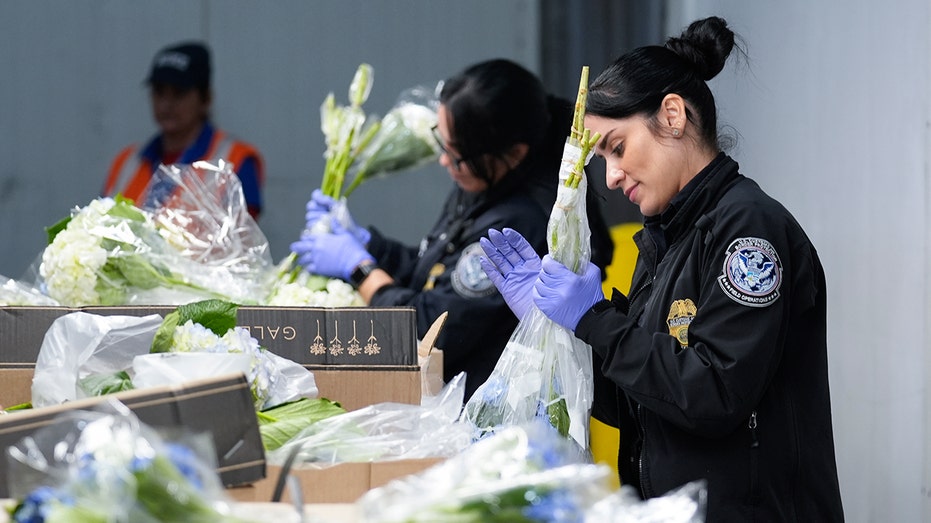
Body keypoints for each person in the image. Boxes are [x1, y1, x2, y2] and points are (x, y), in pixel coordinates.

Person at [480, 17, 844, 521]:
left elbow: (715, 395)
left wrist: (594, 318)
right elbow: (637, 399)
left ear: (672, 115)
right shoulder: (662, 239)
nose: (609, 178)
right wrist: (557, 331)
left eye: (617, 147)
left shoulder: (748, 231)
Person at [289, 58, 614, 399]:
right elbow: (435, 269)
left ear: (514, 153)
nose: (445, 161)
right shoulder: (483, 178)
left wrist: (359, 269)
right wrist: (372, 246)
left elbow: (432, 331)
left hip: (489, 415)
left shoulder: (519, 222)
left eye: (456, 154)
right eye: (443, 144)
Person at [102, 41, 265, 219]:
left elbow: (245, 240)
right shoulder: (126, 162)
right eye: (159, 92)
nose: (166, 105)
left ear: (206, 99)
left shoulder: (236, 159)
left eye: (179, 93)